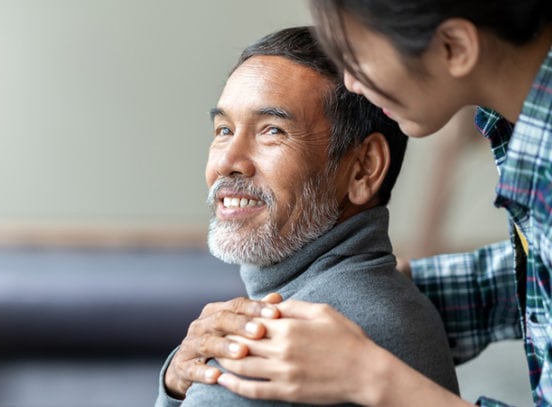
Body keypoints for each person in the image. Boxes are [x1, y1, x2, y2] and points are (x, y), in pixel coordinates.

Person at [170, 2, 552, 406]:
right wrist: (385, 299)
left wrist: (371, 374)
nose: (351, 81)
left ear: (454, 46)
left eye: (358, 55)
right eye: (223, 129)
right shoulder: (517, 128)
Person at [154, 26, 459, 406]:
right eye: (224, 130)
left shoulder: (265, 361)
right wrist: (175, 385)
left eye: (272, 131)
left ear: (364, 168)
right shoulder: (402, 302)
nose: (228, 163)